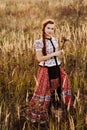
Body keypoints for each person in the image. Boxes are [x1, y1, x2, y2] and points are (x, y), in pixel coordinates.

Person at [28, 19, 73, 127]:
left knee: (57, 91)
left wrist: (60, 53)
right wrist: (55, 53)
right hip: (46, 70)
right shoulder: (39, 42)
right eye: (48, 28)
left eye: (52, 28)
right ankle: (42, 118)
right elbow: (40, 58)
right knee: (45, 92)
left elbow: (56, 55)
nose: (50, 30)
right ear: (43, 28)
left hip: (56, 68)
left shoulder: (55, 40)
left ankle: (56, 114)